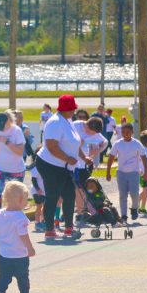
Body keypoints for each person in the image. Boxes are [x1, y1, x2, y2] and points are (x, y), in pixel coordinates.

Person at [36, 95, 84, 241]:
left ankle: (69, 226)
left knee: (69, 194)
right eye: (72, 108)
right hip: (50, 165)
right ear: (67, 109)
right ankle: (49, 229)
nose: (74, 110)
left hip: (64, 166)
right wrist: (68, 158)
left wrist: (82, 157)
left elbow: (75, 143)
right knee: (53, 195)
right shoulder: (55, 123)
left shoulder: (67, 121)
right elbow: (51, 146)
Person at [0, 180, 36, 293]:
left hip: (4, 255)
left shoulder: (0, 214)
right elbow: (23, 235)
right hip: (20, 255)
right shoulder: (20, 217)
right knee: (23, 278)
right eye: (26, 199)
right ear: (21, 199)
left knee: (3, 277)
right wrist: (30, 247)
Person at [105, 123, 147, 221]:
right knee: (122, 195)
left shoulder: (137, 143)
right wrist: (108, 172)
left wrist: (146, 172)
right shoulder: (118, 143)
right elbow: (111, 157)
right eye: (123, 132)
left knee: (134, 194)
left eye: (128, 132)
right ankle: (124, 215)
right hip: (121, 173)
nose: (125, 134)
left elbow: (144, 157)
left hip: (134, 173)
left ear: (132, 133)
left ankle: (134, 208)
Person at [0, 111, 27, 208]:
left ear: (8, 121)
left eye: (1, 123)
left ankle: (13, 221)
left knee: (14, 199)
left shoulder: (16, 131)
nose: (0, 126)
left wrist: (7, 141)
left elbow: (20, 152)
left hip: (16, 171)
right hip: (0, 169)